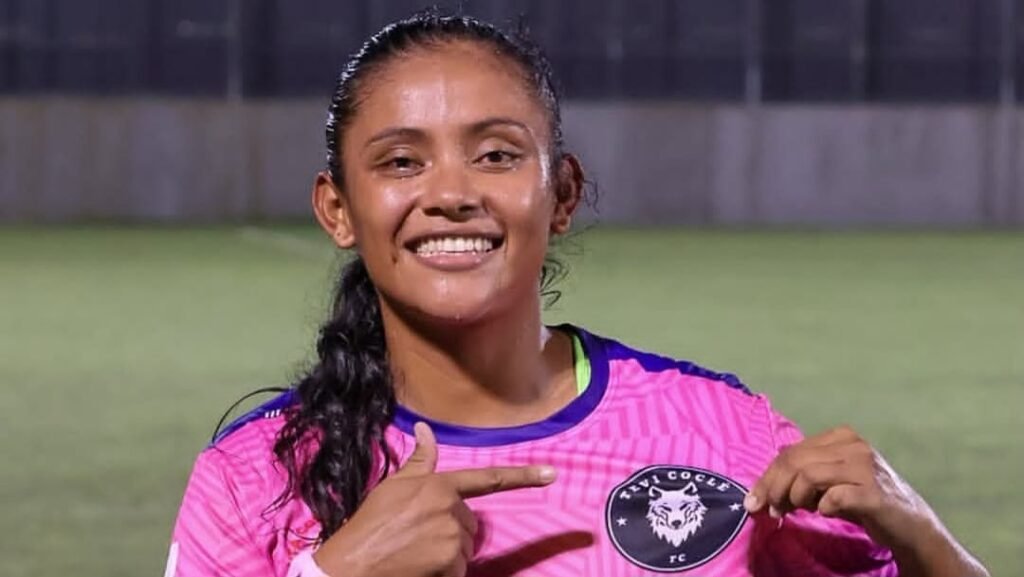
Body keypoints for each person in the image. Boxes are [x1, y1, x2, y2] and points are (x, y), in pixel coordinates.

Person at [167, 13, 990, 577]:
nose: (450, 194)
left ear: (561, 193)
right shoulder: (254, 476)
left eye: (496, 155)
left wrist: (920, 534)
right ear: (338, 209)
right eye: (402, 162)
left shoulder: (724, 432)